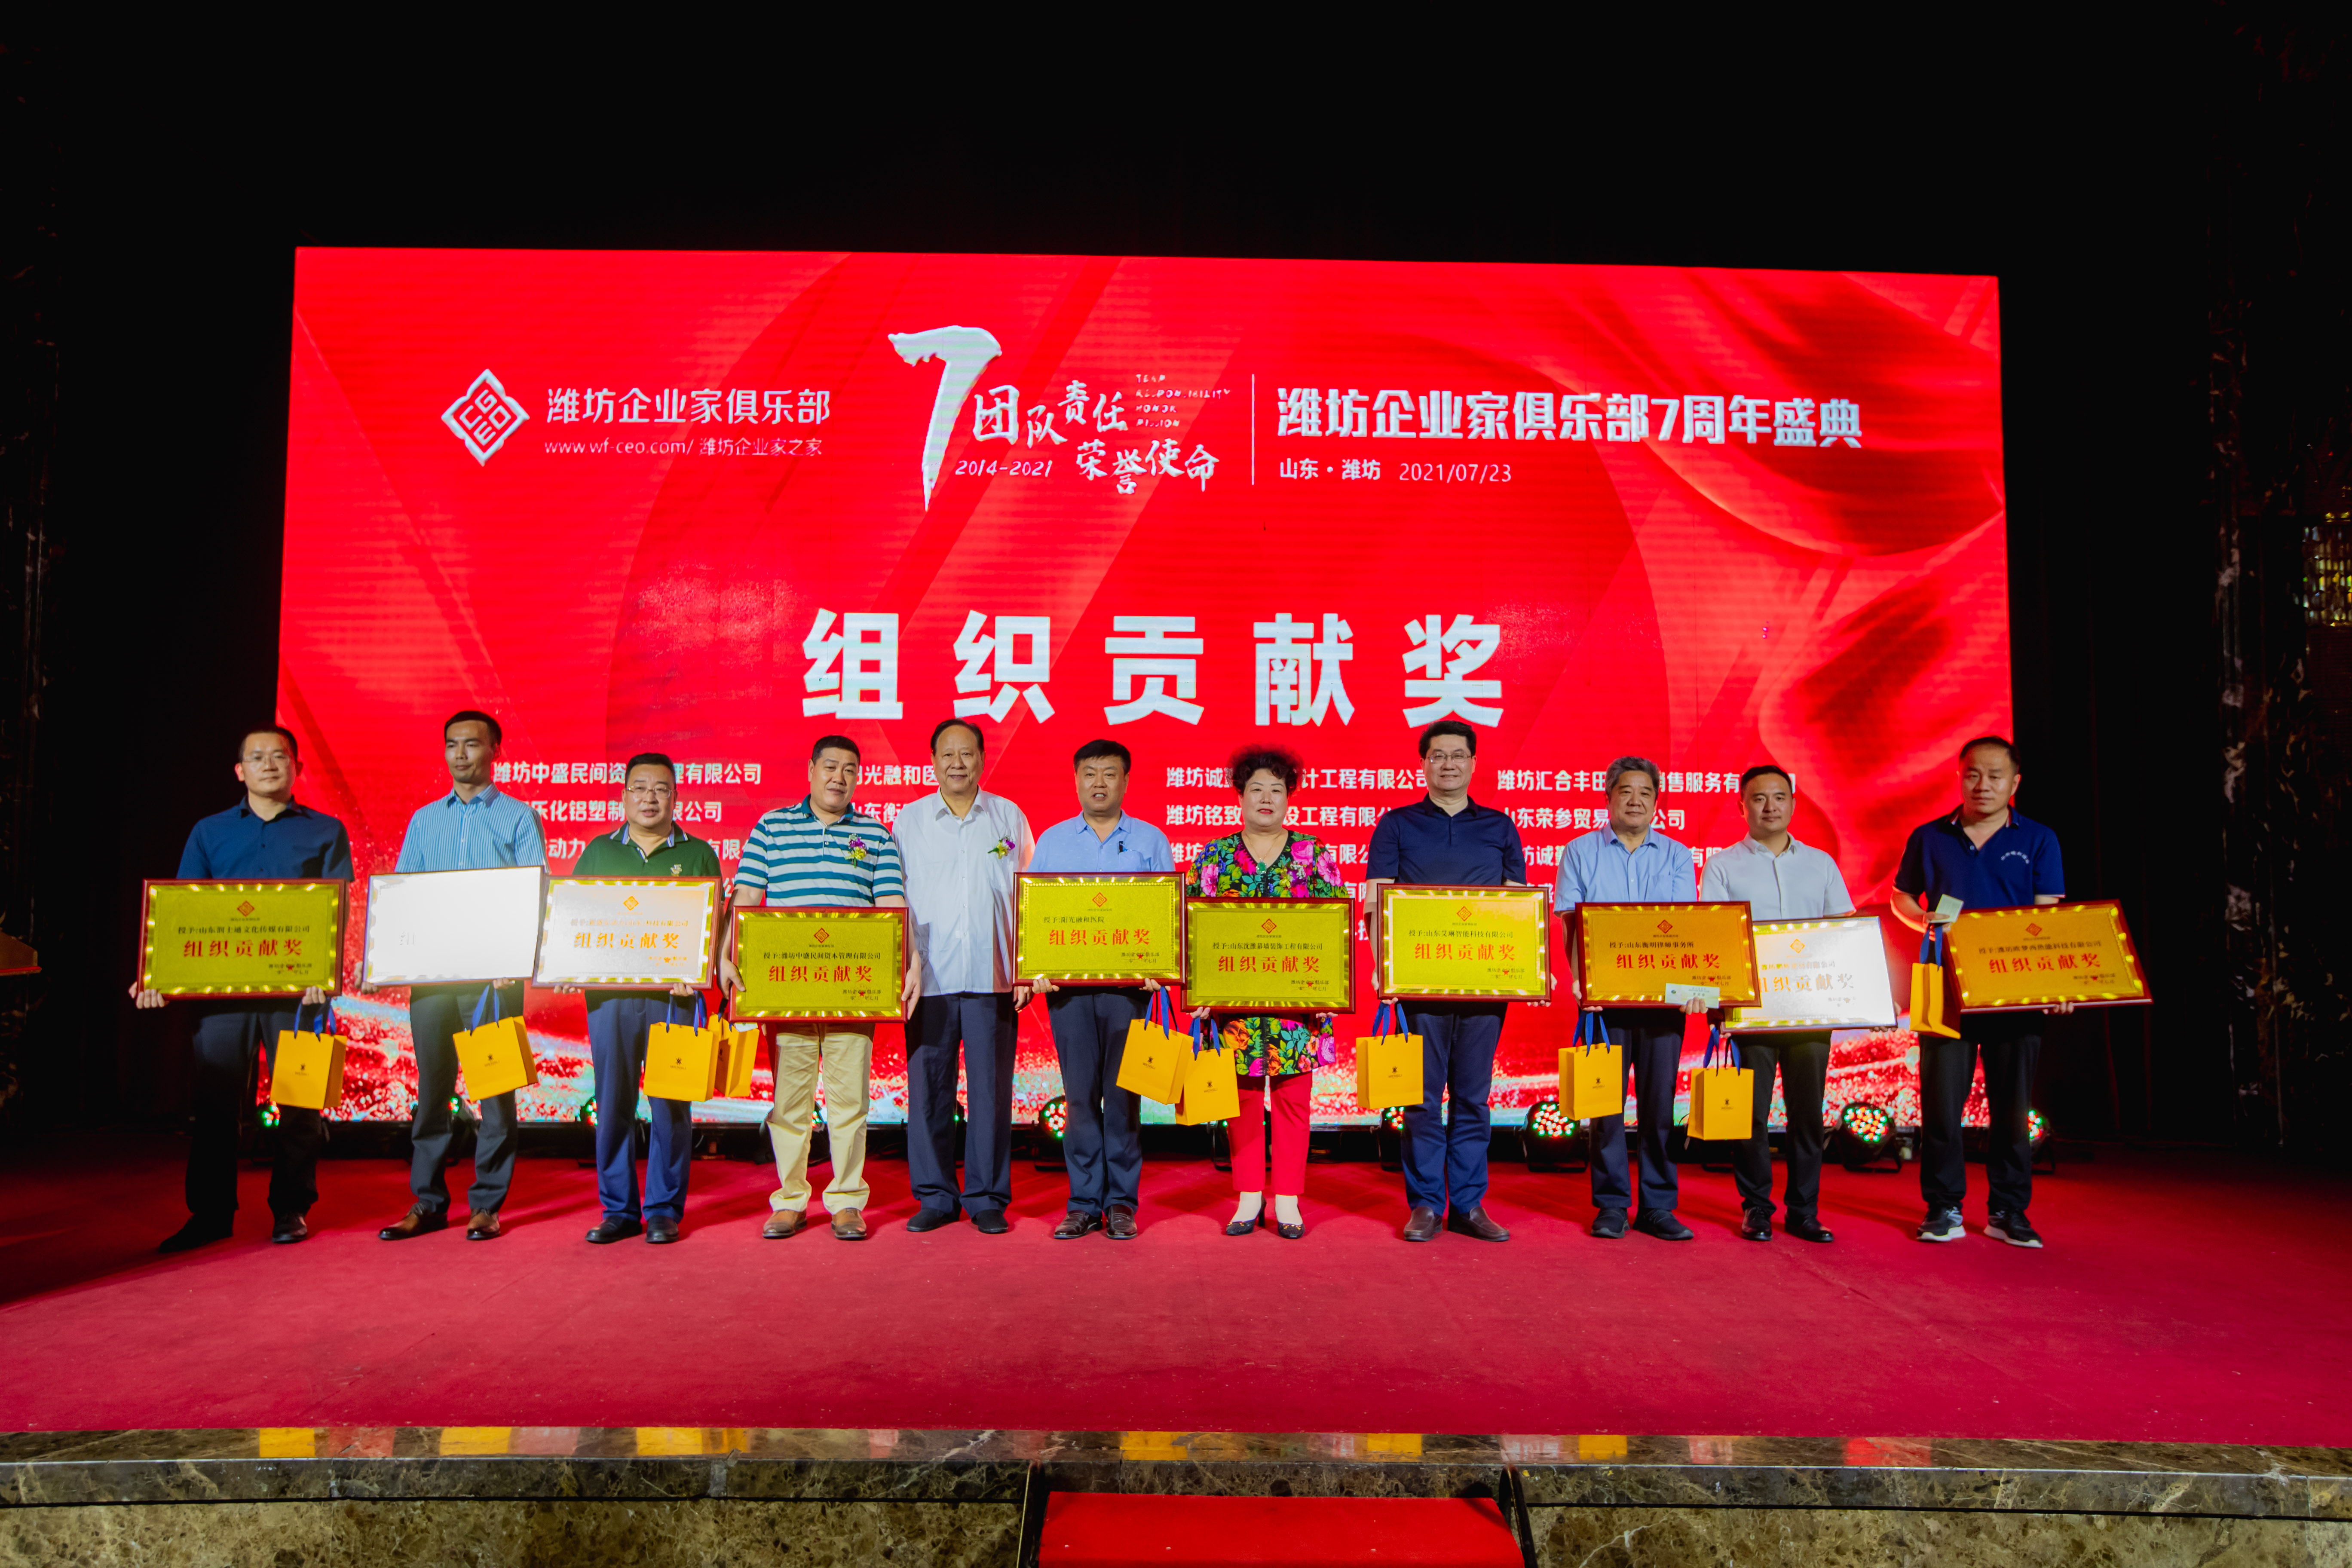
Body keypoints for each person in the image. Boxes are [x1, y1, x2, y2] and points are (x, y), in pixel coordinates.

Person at [132, 726, 353, 1252]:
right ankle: (211, 1214)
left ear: (297, 767)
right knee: (215, 1106)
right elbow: (184, 910)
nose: (269, 765)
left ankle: (291, 1209)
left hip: (298, 997)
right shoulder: (208, 832)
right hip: (222, 999)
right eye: (257, 757)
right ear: (240, 771)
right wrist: (157, 975)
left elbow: (337, 911)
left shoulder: (326, 831)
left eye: (279, 756)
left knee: (300, 1104)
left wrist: (324, 977)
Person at [722, 734, 913, 1242]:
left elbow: (892, 908)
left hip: (853, 990)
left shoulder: (875, 835)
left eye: (850, 769)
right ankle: (789, 1200)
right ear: (811, 770)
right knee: (790, 1102)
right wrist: (726, 955)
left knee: (850, 1102)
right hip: (786, 989)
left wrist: (907, 964)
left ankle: (847, 1201)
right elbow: (746, 897)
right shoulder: (772, 827)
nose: (839, 777)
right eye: (830, 767)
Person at [377, 710, 547, 1242]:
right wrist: (387, 958)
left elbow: (534, 894)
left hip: (493, 981)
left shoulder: (519, 817)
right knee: (432, 1092)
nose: (460, 754)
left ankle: (487, 1205)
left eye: (472, 744)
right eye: (452, 744)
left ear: (495, 750)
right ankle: (427, 1202)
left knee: (494, 1094)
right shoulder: (425, 820)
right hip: (432, 979)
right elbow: (404, 895)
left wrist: (514, 958)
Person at [1893, 735, 2069, 1249]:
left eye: (1995, 776)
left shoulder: (2039, 839)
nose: (1983, 785)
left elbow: (2048, 919)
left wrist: (2054, 983)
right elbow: (1902, 896)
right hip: (1945, 987)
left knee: (2012, 1108)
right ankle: (1943, 1207)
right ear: (1959, 777)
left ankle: (2008, 1210)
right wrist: (1924, 921)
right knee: (1941, 1105)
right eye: (1973, 774)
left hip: (2014, 992)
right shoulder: (1930, 836)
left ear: (2015, 783)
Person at [1365, 720, 1528, 1243]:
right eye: (1438, 756)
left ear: (1474, 764)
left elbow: (1518, 910)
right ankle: (1426, 1205)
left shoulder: (1500, 827)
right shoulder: (1397, 825)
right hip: (1419, 984)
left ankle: (1469, 1204)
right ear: (1424, 764)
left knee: (1473, 1098)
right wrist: (1383, 969)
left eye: (1459, 755)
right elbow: (1377, 903)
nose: (1449, 764)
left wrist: (1525, 971)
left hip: (1484, 985)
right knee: (1420, 1098)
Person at [1189, 744, 1347, 1241]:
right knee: (1239, 1103)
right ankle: (1249, 1196)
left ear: (1288, 797)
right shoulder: (1214, 856)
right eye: (1256, 788)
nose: (1265, 798)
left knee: (1293, 1103)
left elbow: (1337, 929)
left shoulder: (1314, 854)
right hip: (1232, 1009)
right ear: (1239, 796)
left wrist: (1329, 988)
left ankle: (1289, 1201)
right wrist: (1199, 989)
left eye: (1276, 790)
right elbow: (1191, 929)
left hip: (1297, 1008)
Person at [566, 753, 723, 1246]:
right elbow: (574, 919)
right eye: (640, 788)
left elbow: (714, 927)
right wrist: (567, 965)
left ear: (676, 797)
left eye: (660, 789)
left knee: (670, 1104)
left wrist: (698, 971)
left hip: (673, 1000)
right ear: (624, 796)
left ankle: (663, 1210)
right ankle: (618, 1209)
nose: (649, 798)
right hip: (609, 1000)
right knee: (613, 1101)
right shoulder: (598, 852)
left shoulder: (699, 855)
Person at [1700, 765, 1856, 1244]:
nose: (1770, 807)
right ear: (1742, 806)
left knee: (1807, 1114)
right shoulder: (1722, 866)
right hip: (1753, 1011)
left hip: (1812, 1010)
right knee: (1751, 1115)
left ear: (1793, 803)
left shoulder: (1821, 864)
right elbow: (1715, 937)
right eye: (1759, 798)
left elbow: (1844, 932)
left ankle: (1805, 1211)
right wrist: (1718, 1004)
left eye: (1779, 797)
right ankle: (1757, 1207)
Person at [1028, 738, 1176, 1240]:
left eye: (1109, 774)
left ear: (1125, 781)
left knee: (1123, 1096)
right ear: (1075, 780)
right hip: (1068, 993)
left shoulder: (1151, 840)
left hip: (1128, 992)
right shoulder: (1052, 842)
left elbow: (1165, 915)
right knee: (1080, 1098)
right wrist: (1037, 968)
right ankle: (1083, 1203)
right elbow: (1036, 916)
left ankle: (1121, 1203)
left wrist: (1160, 967)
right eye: (1089, 773)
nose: (1099, 783)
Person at [893, 719, 1035, 1236]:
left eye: (967, 754)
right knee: (929, 1091)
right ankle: (935, 1195)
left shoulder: (1009, 817)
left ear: (981, 759)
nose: (957, 763)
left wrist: (1026, 967)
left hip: (991, 976)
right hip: (927, 980)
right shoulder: (908, 822)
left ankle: (986, 1196)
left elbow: (1030, 898)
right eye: (947, 755)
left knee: (991, 1094)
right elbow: (895, 902)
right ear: (933, 762)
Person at [1555, 756, 1700, 1242]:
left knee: (1659, 1107)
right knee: (1606, 1108)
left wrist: (1693, 990)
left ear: (1657, 802)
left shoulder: (1677, 855)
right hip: (1604, 1003)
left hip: (1663, 1003)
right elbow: (1571, 923)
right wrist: (1582, 983)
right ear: (1609, 798)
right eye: (1626, 792)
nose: (1636, 801)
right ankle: (1612, 1204)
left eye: (1645, 793)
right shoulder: (1580, 851)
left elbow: (1685, 929)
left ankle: (1658, 1206)